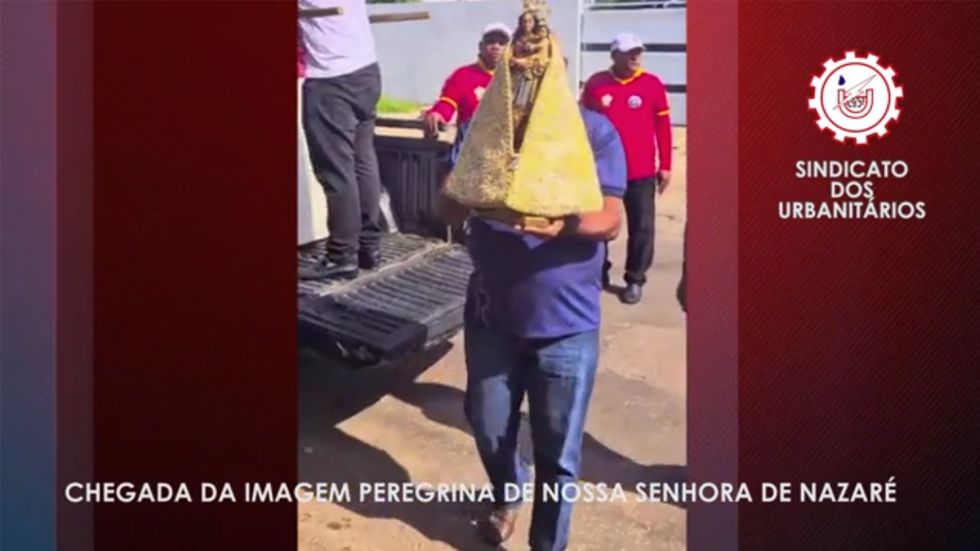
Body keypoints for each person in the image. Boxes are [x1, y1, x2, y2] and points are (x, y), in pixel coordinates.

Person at [440, 105, 627, 551]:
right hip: (491, 318)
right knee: (487, 424)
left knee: (558, 454)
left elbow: (610, 218)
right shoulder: (482, 126)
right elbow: (445, 208)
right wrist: (472, 185)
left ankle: (547, 544)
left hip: (567, 325)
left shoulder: (593, 130)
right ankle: (508, 492)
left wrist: (564, 224)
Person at [581, 32, 673, 305]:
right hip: (602, 171)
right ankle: (598, 271)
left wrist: (666, 165)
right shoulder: (597, 84)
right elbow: (583, 123)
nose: (635, 56)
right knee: (598, 224)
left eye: (638, 51)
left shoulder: (652, 84)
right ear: (614, 55)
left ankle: (635, 278)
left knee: (642, 226)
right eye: (629, 52)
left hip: (640, 170)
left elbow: (663, 127)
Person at [298, 0, 383, 280]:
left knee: (336, 171)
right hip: (366, 71)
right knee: (362, 161)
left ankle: (341, 255)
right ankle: (368, 247)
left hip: (331, 79)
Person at [424, 23, 511, 160]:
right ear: (481, 46)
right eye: (490, 42)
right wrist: (437, 114)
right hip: (468, 151)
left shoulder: (516, 79)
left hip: (505, 152)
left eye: (502, 43)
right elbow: (447, 102)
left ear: (510, 49)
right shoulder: (463, 75)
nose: (496, 47)